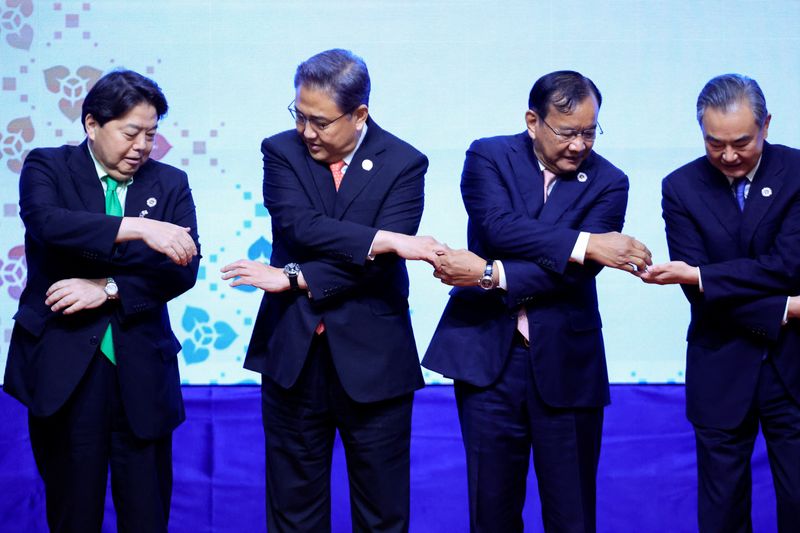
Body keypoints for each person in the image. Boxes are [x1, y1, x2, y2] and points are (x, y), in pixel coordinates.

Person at [221, 49, 441, 532]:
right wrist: (384, 239)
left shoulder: (405, 163)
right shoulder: (280, 150)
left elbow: (379, 268)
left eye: (319, 122)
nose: (306, 131)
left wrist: (297, 277)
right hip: (293, 353)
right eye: (299, 115)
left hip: (375, 360)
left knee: (382, 512)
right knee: (293, 510)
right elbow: (300, 227)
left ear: (359, 114)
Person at [422, 70, 651, 532]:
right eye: (568, 132)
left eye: (590, 131)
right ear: (533, 121)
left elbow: (572, 276)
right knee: (491, 514)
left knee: (572, 516)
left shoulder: (610, 180)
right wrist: (587, 242)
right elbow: (497, 228)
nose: (580, 144)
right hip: (490, 361)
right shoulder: (488, 155)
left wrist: (491, 272)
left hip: (568, 362)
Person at [3, 69, 200, 532]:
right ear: (92, 124)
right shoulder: (47, 167)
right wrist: (141, 229)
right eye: (131, 132)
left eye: (151, 134)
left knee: (147, 515)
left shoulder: (170, 183)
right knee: (73, 514)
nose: (142, 146)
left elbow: (182, 267)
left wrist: (107, 288)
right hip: (65, 372)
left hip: (142, 372)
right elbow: (52, 226)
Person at [640, 74, 800, 532]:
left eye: (741, 142)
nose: (728, 155)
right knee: (721, 511)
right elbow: (697, 292)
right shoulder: (681, 186)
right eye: (715, 144)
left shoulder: (797, 173)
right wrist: (785, 309)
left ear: (766, 125)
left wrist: (707, 276)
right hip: (720, 367)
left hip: (792, 368)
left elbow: (789, 264)